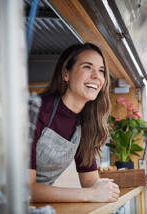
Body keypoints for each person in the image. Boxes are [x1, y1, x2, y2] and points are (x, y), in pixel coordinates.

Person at [29, 43, 120, 203]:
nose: (96, 76)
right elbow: (25, 189)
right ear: (66, 74)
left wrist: (105, 187)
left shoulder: (86, 125)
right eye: (87, 67)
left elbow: (90, 181)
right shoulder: (35, 110)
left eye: (101, 71)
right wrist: (90, 194)